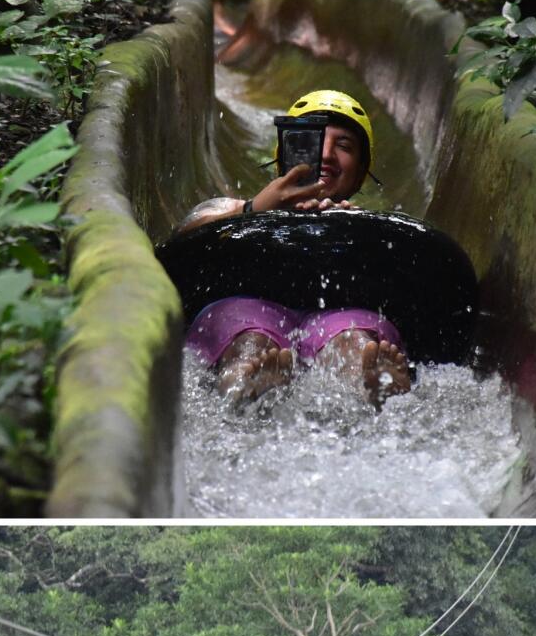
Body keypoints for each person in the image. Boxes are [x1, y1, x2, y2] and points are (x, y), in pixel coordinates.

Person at [176, 90, 412, 406]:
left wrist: (356, 228)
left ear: (360, 174)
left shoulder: (374, 227)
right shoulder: (234, 208)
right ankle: (244, 377)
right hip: (249, 310)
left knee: (354, 335)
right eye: (311, 142)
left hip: (339, 315)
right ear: (284, 154)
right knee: (251, 335)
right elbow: (182, 238)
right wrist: (254, 209)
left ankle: (370, 379)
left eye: (343, 146)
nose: (326, 154)